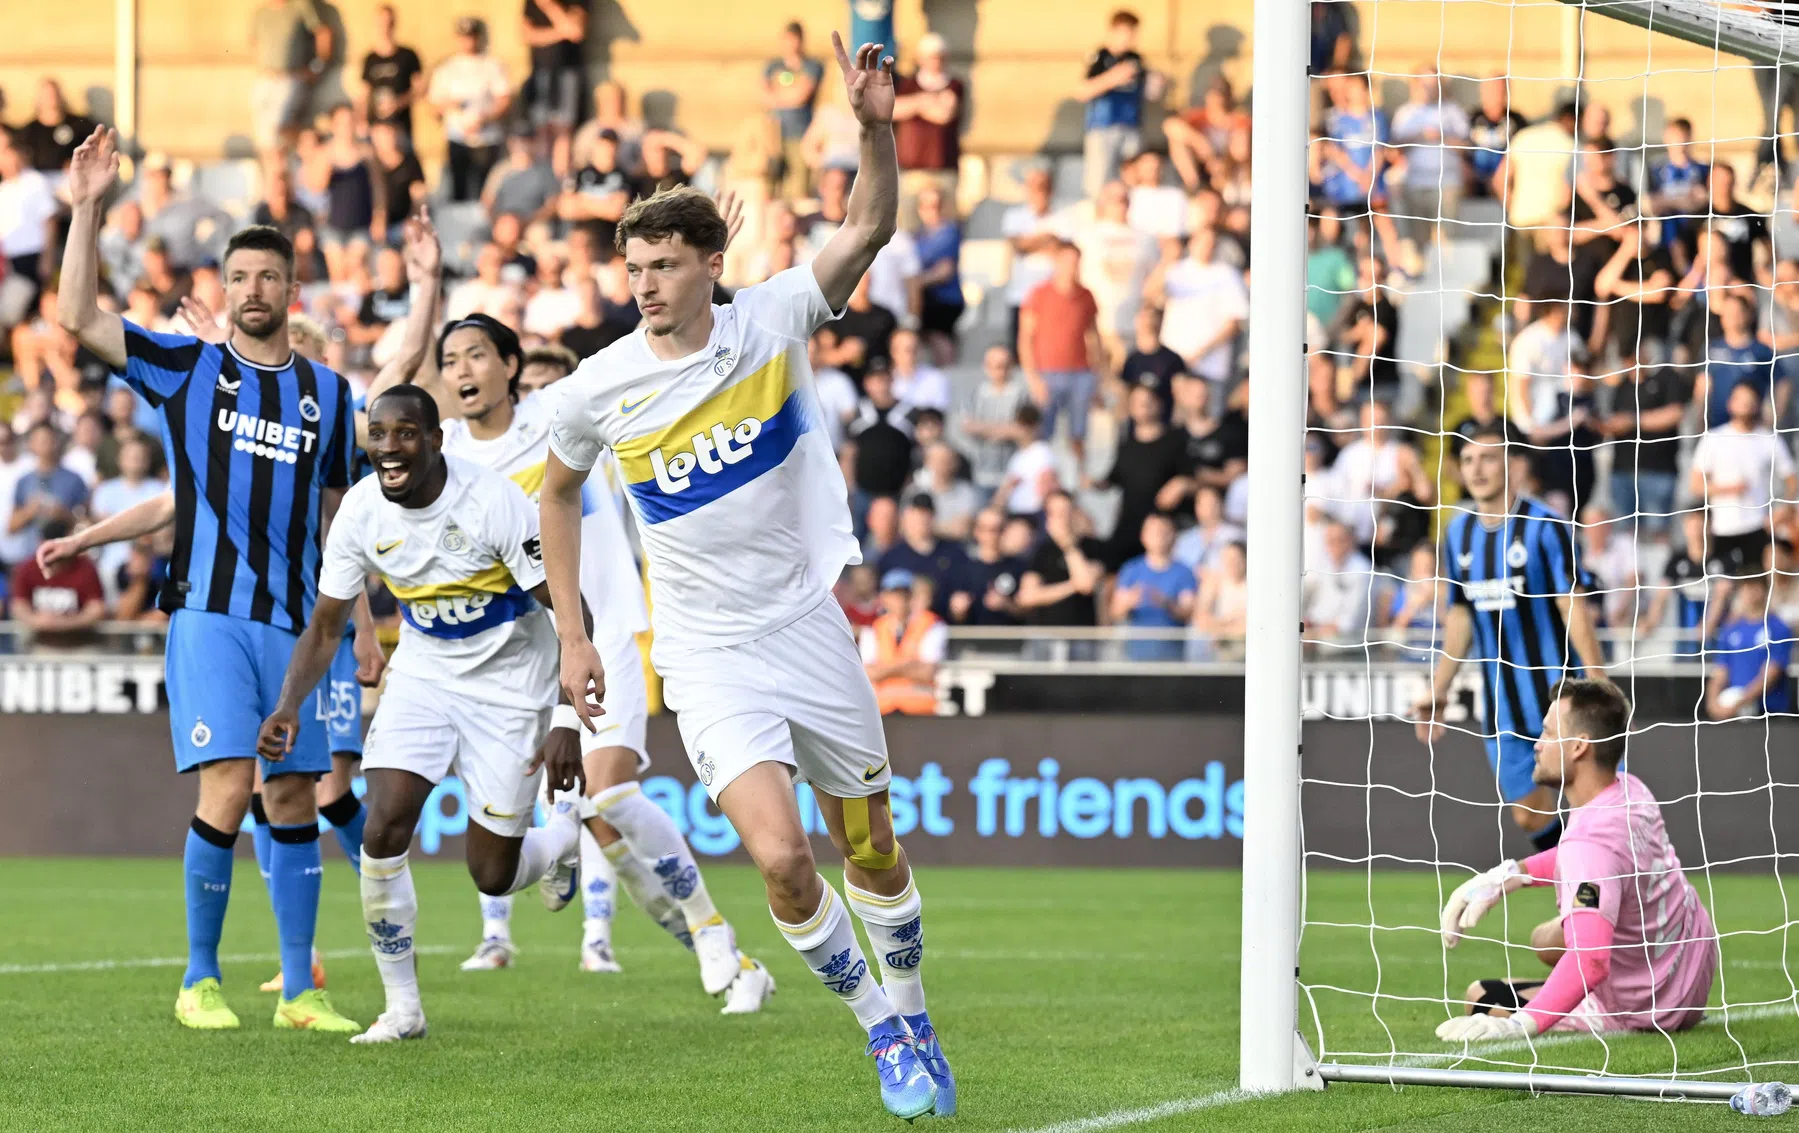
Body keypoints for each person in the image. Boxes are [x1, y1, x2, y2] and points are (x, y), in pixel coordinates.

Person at [537, 37, 952, 1119]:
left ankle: (914, 1009)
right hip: (707, 652)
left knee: (871, 841)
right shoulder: (601, 386)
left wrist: (869, 125)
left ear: (707, 264)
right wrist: (574, 633)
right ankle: (882, 1035)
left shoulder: (769, 320)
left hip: (806, 624)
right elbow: (555, 492)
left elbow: (867, 225)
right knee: (780, 856)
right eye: (632, 271)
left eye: (662, 266)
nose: (644, 288)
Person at [56, 126, 377, 1032]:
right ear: (222, 289)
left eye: (268, 277)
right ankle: (198, 979)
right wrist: (86, 211)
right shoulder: (187, 368)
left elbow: (344, 520)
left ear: (292, 290)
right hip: (207, 611)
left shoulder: (329, 396)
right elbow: (78, 320)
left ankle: (301, 993)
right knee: (230, 785)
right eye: (238, 277)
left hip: (294, 625)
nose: (252, 291)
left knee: (290, 796)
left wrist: (352, 618)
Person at [407, 305, 770, 1004]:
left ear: (510, 367)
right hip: (521, 660)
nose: (461, 371)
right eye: (452, 362)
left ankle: (712, 937)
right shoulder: (446, 455)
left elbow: (655, 348)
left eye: (477, 356)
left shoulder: (564, 416)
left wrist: (711, 292)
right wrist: (426, 289)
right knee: (597, 820)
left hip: (604, 633)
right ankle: (715, 941)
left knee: (608, 793)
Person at [255, 386, 586, 1043]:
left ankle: (560, 842)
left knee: (491, 872)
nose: (388, 447)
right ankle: (402, 1007)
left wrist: (566, 721)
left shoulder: (492, 500)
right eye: (377, 434)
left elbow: (571, 612)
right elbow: (324, 626)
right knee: (383, 828)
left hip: (513, 685)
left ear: (435, 439)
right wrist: (288, 704)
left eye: (404, 433)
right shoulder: (359, 511)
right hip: (425, 675)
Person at [1437, 679, 1717, 1041]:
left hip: (1647, 1005)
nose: (1536, 745)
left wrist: (1518, 1025)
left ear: (1579, 746)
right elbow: (1579, 857)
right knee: (1546, 939)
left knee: (1482, 995)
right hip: (1688, 975)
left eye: (1547, 733)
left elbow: (1592, 961)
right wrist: (1505, 877)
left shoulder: (1591, 846)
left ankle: (1586, 1010)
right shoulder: (1631, 790)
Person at [1414, 423, 1607, 847]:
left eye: (1486, 458)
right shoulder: (1457, 533)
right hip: (1504, 704)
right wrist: (1439, 689)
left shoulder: (1546, 526)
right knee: (1526, 814)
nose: (1476, 469)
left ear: (1512, 464)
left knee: (1599, 808)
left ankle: (1609, 896)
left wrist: (1597, 680)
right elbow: (1460, 613)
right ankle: (1579, 877)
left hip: (1563, 695)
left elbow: (1569, 602)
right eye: (1467, 460)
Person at [1690, 382, 1795, 583]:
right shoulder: (1713, 438)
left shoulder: (1768, 439)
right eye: (1741, 400)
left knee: (1758, 589)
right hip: (1722, 529)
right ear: (1730, 404)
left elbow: (1791, 480)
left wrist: (1782, 510)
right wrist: (1727, 489)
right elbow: (1695, 485)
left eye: (1750, 400)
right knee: (1723, 591)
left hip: (1758, 527)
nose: (1746, 405)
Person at [1019, 242, 1103, 466]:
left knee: (1078, 432)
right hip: (1048, 372)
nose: (1071, 267)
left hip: (1080, 372)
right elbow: (1026, 338)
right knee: (1043, 433)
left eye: (1075, 262)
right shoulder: (1039, 294)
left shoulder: (1086, 295)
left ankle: (1080, 477)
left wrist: (1098, 375)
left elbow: (1094, 337)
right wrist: (1033, 377)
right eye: (1066, 261)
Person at [428, 17, 512, 202]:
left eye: (472, 36)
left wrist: (485, 119)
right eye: (464, 37)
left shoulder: (492, 65)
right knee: (459, 191)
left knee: (487, 192)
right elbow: (433, 106)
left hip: (487, 139)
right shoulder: (446, 68)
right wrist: (449, 106)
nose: (468, 41)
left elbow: (504, 100)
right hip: (457, 139)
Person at [1076, 10, 1147, 199]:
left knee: (1131, 182)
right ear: (1114, 31)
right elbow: (1083, 91)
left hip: (1131, 127)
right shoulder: (1100, 56)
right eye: (1126, 32)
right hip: (1103, 127)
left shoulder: (1136, 59)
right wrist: (1113, 78)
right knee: (1099, 183)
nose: (1130, 38)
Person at [892, 33, 964, 212]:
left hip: (943, 167)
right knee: (908, 222)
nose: (936, 62)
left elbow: (944, 115)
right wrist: (926, 101)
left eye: (939, 57)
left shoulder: (955, 85)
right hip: (911, 169)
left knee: (945, 222)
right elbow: (893, 111)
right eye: (932, 57)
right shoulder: (906, 85)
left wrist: (914, 105)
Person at [1111, 512, 1196, 662]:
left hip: (1171, 656)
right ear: (1143, 536)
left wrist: (1166, 603)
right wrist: (1129, 602)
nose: (1158, 536)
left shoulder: (1184, 572)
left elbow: (1188, 612)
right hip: (1136, 655)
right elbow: (1115, 612)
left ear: (1172, 535)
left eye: (1162, 531)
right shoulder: (1131, 570)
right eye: (1153, 531)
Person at [1706, 574, 1793, 720]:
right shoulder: (1730, 629)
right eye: (1745, 588)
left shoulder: (1779, 628)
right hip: (1734, 715)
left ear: (1765, 591)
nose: (1749, 593)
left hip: (1768, 714)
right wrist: (1712, 703)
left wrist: (1741, 701)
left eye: (1754, 587)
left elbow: (1771, 674)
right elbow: (1721, 670)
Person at [9, 518, 105, 648]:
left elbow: (96, 609)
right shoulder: (27, 568)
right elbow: (18, 606)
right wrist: (37, 621)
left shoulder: (85, 568)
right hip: (41, 644)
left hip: (78, 645)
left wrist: (64, 623)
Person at [521, 0, 588, 176]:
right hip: (540, 71)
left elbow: (576, 31)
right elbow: (526, 35)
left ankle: (561, 179)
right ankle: (543, 178)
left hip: (568, 72)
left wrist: (550, 6)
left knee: (563, 129)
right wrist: (560, 32)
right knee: (542, 128)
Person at [763, 20, 826, 200]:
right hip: (774, 133)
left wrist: (779, 95)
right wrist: (788, 95)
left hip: (800, 133)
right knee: (771, 183)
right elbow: (765, 98)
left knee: (800, 186)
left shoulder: (812, 66)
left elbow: (800, 97)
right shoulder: (772, 66)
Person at [7, 421, 88, 557]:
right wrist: (29, 511)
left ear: (57, 442)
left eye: (49, 440)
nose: (46, 445)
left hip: (66, 556)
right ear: (31, 445)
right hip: (30, 556)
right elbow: (11, 527)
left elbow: (86, 523)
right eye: (40, 441)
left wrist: (64, 514)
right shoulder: (24, 481)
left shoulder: (74, 479)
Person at [357, 4, 425, 140]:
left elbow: (420, 89)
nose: (385, 27)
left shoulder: (408, 55)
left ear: (394, 24)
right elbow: (364, 94)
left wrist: (398, 103)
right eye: (381, 23)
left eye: (389, 22)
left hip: (401, 127)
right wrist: (361, 120)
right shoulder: (370, 59)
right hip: (376, 129)